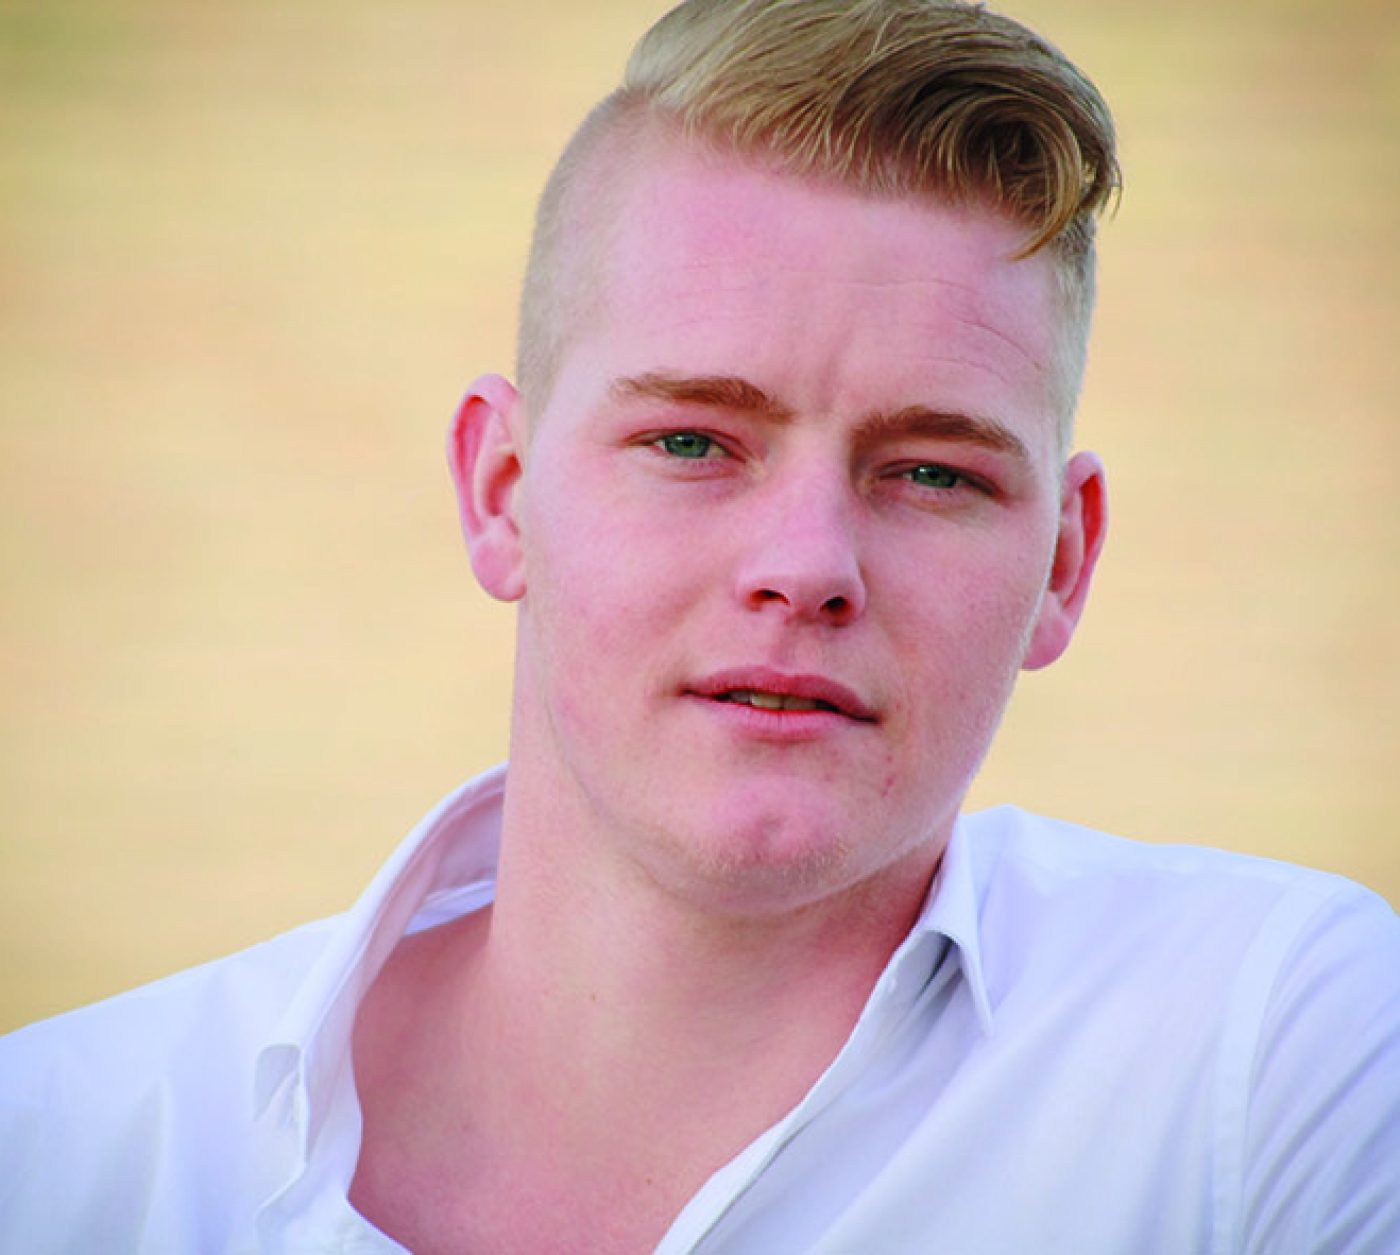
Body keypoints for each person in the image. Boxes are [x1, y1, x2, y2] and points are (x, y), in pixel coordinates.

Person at [3, 0, 1398, 1250]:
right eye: (691, 442)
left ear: (1064, 565)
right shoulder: (59, 1156)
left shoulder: (1270, 1060)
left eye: (932, 472)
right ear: (502, 494)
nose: (807, 568)